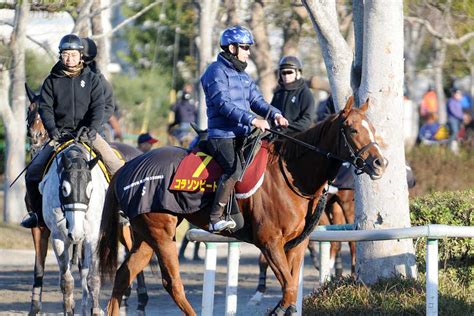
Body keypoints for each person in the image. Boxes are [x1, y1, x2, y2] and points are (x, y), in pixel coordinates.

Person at [21, 34, 124, 228]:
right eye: (66, 54)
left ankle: (121, 210)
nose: (69, 58)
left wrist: (92, 129)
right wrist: (53, 130)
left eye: (73, 54)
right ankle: (37, 215)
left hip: (88, 135)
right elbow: (46, 108)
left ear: (81, 56)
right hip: (60, 136)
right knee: (32, 172)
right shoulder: (51, 80)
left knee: (116, 166)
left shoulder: (93, 80)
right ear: (61, 56)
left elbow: (99, 107)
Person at [201, 25, 289, 232]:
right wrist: (252, 120)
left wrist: (275, 113)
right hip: (221, 135)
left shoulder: (243, 75)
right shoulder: (215, 72)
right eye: (245, 47)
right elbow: (222, 104)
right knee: (234, 170)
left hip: (242, 134)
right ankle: (215, 218)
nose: (249, 52)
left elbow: (257, 101)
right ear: (232, 48)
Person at [81, 37, 123, 142]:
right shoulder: (61, 78)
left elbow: (108, 107)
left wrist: (93, 124)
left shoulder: (99, 81)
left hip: (91, 131)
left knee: (111, 159)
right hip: (64, 131)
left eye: (75, 55)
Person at [270, 56, 315, 134]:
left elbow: (307, 121)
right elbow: (270, 113)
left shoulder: (305, 93)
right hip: (275, 136)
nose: (286, 76)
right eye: (283, 73)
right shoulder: (278, 93)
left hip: (297, 138)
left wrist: (286, 128)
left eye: (290, 72)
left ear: (298, 73)